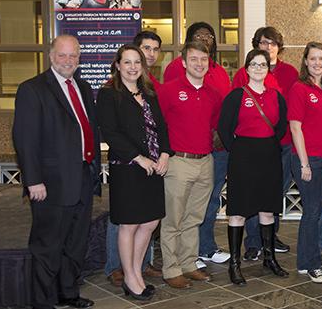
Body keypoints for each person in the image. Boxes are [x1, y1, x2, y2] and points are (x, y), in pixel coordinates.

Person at [12, 34, 101, 309]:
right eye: (62, 55)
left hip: (83, 179)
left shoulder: (83, 88)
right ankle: (42, 302)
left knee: (74, 244)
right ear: (51, 56)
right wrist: (33, 180)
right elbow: (24, 139)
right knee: (47, 247)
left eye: (73, 55)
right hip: (50, 185)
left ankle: (68, 293)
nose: (68, 61)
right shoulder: (33, 89)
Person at [97, 45, 172, 301]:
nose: (132, 67)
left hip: (153, 168)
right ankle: (129, 277)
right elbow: (110, 132)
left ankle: (137, 272)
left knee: (150, 222)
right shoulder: (109, 95)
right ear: (117, 65)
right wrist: (139, 157)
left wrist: (164, 154)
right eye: (127, 62)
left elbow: (161, 126)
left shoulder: (149, 92)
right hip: (128, 169)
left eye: (136, 62)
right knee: (129, 225)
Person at [162, 22, 232, 270]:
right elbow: (160, 124)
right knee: (174, 218)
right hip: (179, 159)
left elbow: (216, 121)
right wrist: (163, 153)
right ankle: (171, 268)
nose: (199, 63)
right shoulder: (170, 85)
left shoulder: (214, 86)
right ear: (184, 61)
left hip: (208, 158)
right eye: (194, 59)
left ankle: (191, 261)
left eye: (203, 59)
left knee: (196, 215)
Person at [218, 49, 289, 286]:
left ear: (268, 69)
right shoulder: (236, 96)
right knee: (238, 211)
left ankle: (269, 258)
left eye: (263, 65)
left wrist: (266, 144)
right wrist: (239, 150)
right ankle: (235, 264)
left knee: (267, 210)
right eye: (254, 64)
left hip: (269, 156)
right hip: (242, 158)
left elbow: (280, 129)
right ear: (246, 68)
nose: (259, 68)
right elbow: (224, 129)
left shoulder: (276, 96)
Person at [233, 27, 298, 259]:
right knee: (252, 193)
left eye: (272, 43)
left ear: (279, 47)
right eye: (263, 42)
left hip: (283, 144)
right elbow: (234, 109)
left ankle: (270, 236)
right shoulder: (244, 73)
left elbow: (291, 109)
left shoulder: (290, 72)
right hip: (252, 147)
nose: (268, 47)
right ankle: (253, 242)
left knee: (273, 194)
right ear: (256, 45)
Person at [288, 42, 322, 283]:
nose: (317, 63)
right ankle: (312, 264)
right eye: (313, 59)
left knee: (316, 211)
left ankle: (303, 262)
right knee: (311, 212)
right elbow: (296, 128)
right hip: (308, 160)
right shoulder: (299, 89)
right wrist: (304, 164)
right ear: (305, 61)